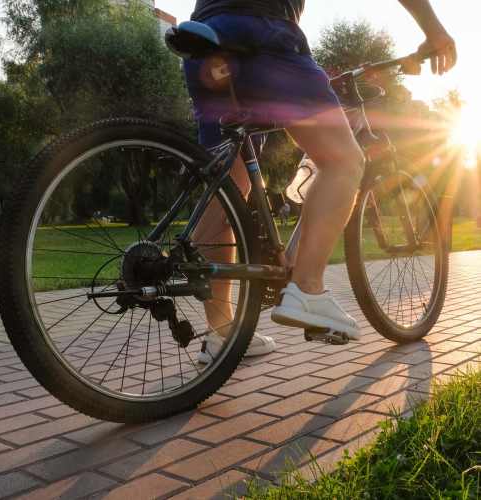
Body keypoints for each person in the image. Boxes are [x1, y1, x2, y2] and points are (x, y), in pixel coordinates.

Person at [184, 0, 457, 363]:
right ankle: (307, 289)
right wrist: (434, 30)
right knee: (344, 161)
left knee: (229, 192)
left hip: (204, 41)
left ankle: (221, 335)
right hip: (261, 34)